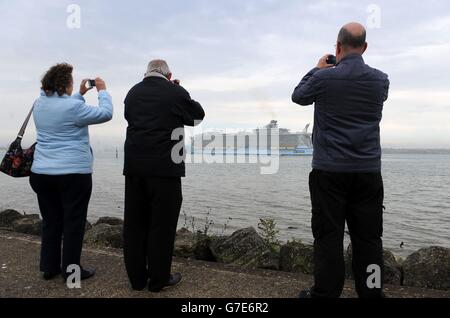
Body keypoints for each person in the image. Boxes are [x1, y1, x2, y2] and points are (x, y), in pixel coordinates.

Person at [292, 23, 390, 298]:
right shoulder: (381, 80)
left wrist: (318, 69)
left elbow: (298, 96)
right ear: (365, 47)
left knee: (328, 236)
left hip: (329, 171)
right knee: (369, 238)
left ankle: (325, 294)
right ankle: (372, 292)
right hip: (368, 171)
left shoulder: (324, 79)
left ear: (337, 47)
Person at [123, 59, 205, 292]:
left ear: (146, 73)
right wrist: (180, 90)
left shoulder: (132, 93)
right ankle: (158, 280)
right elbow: (197, 117)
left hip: (135, 167)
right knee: (162, 225)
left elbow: (132, 118)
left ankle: (137, 280)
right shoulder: (174, 92)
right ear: (169, 75)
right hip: (165, 170)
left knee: (135, 224)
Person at [30, 63, 113, 281]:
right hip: (73, 175)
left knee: (51, 222)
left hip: (41, 174)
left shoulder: (39, 104)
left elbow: (64, 108)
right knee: (73, 224)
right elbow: (106, 113)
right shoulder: (73, 109)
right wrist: (102, 90)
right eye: (71, 83)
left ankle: (49, 267)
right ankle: (71, 272)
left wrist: (80, 94)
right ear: (65, 84)